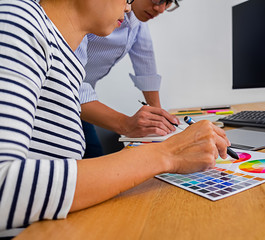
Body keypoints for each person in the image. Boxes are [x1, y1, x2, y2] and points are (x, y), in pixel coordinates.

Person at [0, 0, 230, 237]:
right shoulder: (19, 22)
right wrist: (168, 153)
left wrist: (165, 133)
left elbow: (147, 69)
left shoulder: (70, 59)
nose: (129, 8)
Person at [75, 0, 181, 158]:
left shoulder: (137, 20)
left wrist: (159, 120)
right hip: (63, 96)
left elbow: (146, 67)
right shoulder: (86, 13)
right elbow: (70, 85)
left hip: (83, 99)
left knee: (94, 154)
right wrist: (126, 124)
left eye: (168, 3)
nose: (161, 9)